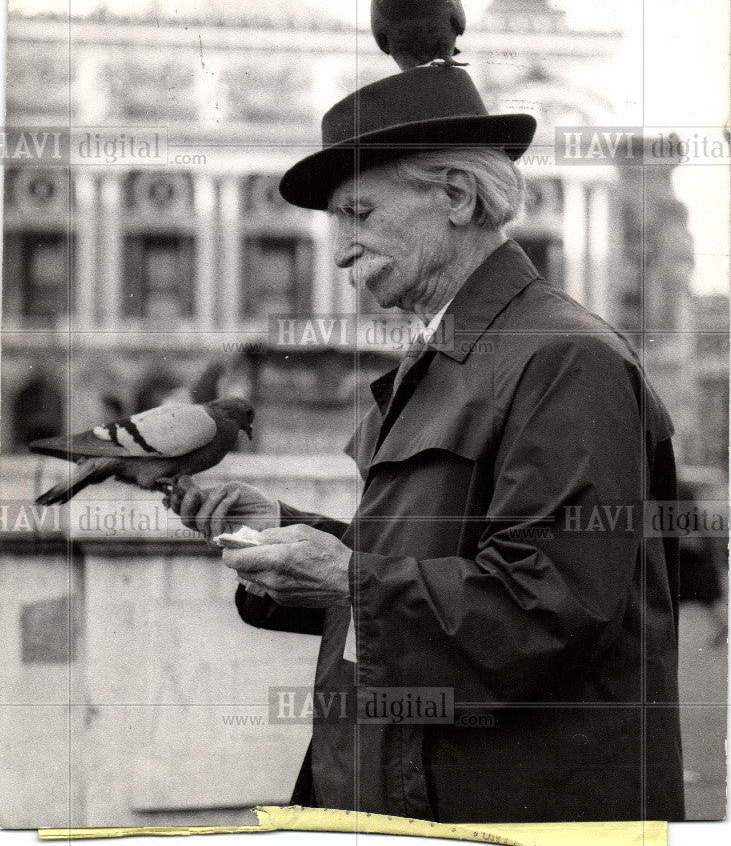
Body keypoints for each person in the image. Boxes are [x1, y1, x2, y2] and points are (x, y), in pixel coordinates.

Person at [167, 67, 684, 822]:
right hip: (417, 787)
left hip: (514, 807)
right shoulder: (459, 353)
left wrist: (344, 577)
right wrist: (294, 537)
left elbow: (548, 608)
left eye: (359, 213)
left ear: (455, 197)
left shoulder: (564, 357)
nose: (339, 251)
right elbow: (443, 569)